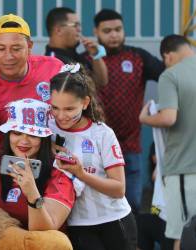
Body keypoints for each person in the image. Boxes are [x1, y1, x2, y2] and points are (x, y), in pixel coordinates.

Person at [0, 98, 75, 250]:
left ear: (44, 139)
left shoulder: (60, 175)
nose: (23, 141)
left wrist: (32, 193)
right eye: (17, 133)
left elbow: (43, 234)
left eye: (32, 135)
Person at [48, 65, 137, 250]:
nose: (61, 116)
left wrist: (81, 174)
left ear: (85, 102)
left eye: (69, 109)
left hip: (114, 219)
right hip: (77, 225)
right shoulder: (46, 128)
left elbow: (119, 189)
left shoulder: (102, 133)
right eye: (55, 108)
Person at [93, 9, 165, 213]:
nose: (114, 34)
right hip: (97, 148)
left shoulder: (138, 57)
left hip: (131, 147)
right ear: (96, 32)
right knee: (100, 209)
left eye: (118, 29)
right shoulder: (87, 59)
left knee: (132, 206)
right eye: (107, 30)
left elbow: (168, 76)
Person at [0, 14, 64, 158]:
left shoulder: (54, 67)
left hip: (58, 166)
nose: (9, 56)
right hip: (9, 171)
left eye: (16, 48)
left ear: (29, 47)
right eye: (1, 49)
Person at [139, 34, 196, 250]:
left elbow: (168, 117)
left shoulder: (171, 75)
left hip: (184, 169)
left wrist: (145, 118)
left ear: (167, 56)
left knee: (180, 233)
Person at [45, 7, 108, 88]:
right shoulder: (52, 61)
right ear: (58, 30)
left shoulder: (76, 56)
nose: (79, 29)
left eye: (79, 25)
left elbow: (102, 82)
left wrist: (96, 55)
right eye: (75, 25)